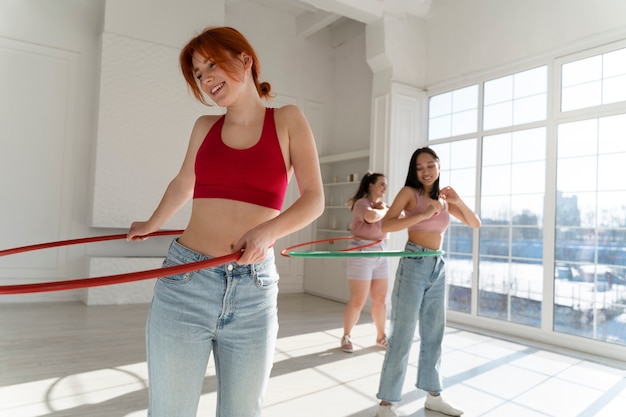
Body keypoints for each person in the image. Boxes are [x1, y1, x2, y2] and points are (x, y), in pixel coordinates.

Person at [126, 26, 324, 417]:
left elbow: (315, 199)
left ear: (245, 60)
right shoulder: (204, 127)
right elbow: (184, 184)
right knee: (170, 411)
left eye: (211, 64)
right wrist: (152, 222)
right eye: (198, 74)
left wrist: (267, 232)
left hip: (254, 289)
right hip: (186, 281)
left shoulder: (287, 119)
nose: (205, 79)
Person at [375, 147, 480, 417]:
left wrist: (457, 200)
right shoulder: (409, 194)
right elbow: (386, 225)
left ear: (439, 166)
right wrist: (422, 215)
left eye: (430, 165)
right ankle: (386, 403)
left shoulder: (445, 198)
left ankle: (434, 395)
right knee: (402, 334)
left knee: (434, 334)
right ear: (414, 170)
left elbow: (475, 223)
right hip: (413, 263)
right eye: (420, 167)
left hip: (437, 264)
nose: (426, 171)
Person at [340, 172, 390, 353]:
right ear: (370, 185)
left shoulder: (382, 206)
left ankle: (381, 336)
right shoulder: (362, 204)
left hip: (381, 253)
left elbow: (398, 217)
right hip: (361, 252)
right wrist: (385, 209)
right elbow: (371, 217)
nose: (385, 188)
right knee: (358, 300)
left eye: (386, 185)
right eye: (381, 184)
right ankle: (346, 336)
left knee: (380, 299)